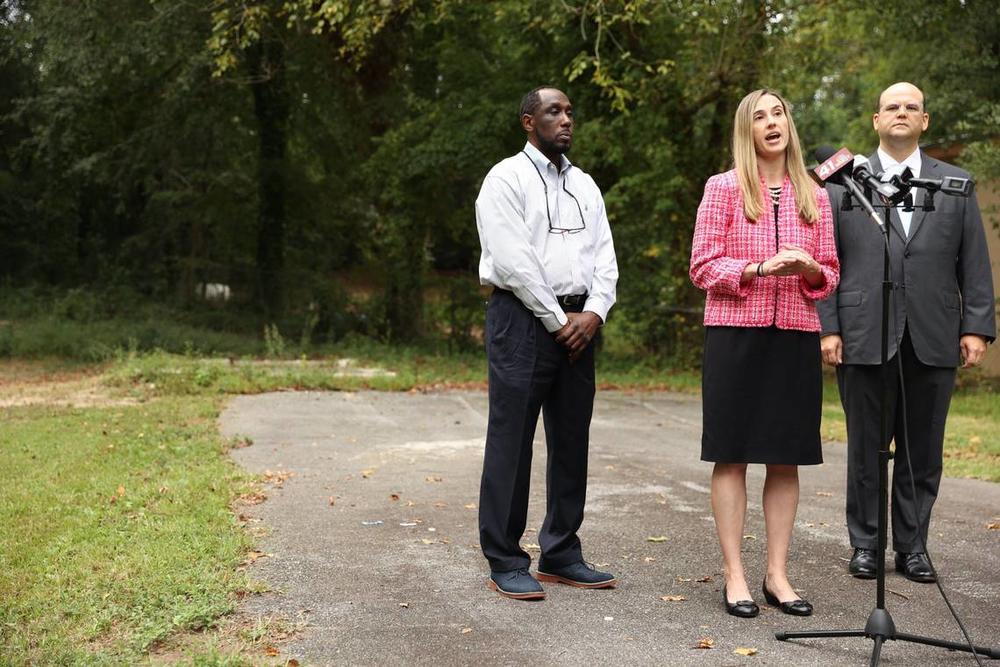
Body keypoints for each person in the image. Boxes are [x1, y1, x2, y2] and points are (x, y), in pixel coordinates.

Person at [817, 82, 995, 583]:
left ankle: (913, 547)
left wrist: (977, 326)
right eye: (891, 106)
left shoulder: (955, 183)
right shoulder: (844, 183)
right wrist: (828, 326)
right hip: (861, 330)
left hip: (934, 334)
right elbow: (827, 262)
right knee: (866, 447)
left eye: (910, 107)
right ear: (876, 120)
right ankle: (866, 545)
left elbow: (974, 262)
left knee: (923, 450)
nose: (901, 112)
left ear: (925, 121)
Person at [689, 88, 839, 618]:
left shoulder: (815, 194)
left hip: (795, 333)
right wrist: (758, 270)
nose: (772, 123)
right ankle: (735, 575)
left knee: (785, 456)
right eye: (760, 116)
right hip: (735, 334)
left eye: (779, 113)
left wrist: (808, 271)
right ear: (746, 130)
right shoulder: (723, 187)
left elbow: (830, 274)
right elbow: (702, 266)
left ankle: (777, 574)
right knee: (731, 454)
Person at [475, 86, 619, 600]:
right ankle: (506, 558)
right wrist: (560, 320)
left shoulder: (585, 185)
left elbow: (605, 256)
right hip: (524, 320)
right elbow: (513, 260)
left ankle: (561, 551)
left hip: (580, 322)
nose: (565, 120)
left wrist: (595, 312)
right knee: (511, 439)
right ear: (527, 122)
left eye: (569, 112)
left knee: (571, 438)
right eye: (553, 112)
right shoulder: (505, 178)